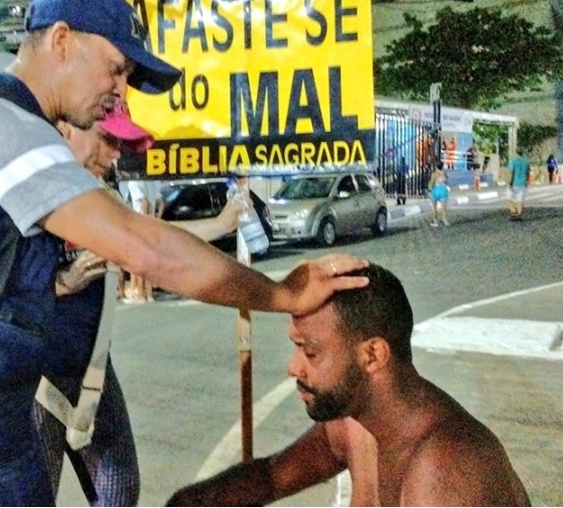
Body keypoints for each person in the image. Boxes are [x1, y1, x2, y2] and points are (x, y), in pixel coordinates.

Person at [0, 0, 369, 506]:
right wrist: (284, 294)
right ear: (61, 40)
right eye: (115, 69)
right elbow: (145, 248)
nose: (120, 94)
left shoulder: (20, 123)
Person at [167, 264, 531, 507]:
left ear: (373, 355)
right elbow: (271, 477)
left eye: (309, 352)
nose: (293, 368)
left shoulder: (446, 469)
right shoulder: (354, 422)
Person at [38, 102, 250, 506]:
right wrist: (62, 284)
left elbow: (155, 242)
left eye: (121, 142)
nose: (117, 152)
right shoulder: (24, 189)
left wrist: (222, 224)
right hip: (33, 380)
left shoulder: (100, 195)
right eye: (107, 139)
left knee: (120, 493)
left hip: (93, 372)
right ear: (67, 129)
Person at [124, 178, 164, 303]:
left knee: (137, 261)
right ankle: (149, 293)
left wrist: (143, 222)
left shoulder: (134, 183)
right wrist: (156, 219)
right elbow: (161, 203)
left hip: (140, 225)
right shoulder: (151, 182)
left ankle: (140, 294)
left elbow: (144, 202)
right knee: (147, 261)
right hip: (151, 224)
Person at [507, 149, 531, 221]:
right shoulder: (526, 162)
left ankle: (514, 212)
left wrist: (509, 182)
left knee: (508, 200)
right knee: (520, 199)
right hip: (523, 183)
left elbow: (511, 172)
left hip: (514, 183)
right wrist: (526, 181)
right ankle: (519, 214)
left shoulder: (512, 161)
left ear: (515, 153)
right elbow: (527, 173)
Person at [427, 161, 449, 227]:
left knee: (434, 207)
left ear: (436, 166)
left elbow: (431, 183)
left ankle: (435, 219)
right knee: (444, 206)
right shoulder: (444, 174)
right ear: (442, 167)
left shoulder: (434, 174)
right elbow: (447, 181)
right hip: (443, 190)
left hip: (435, 190)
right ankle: (444, 218)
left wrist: (429, 189)